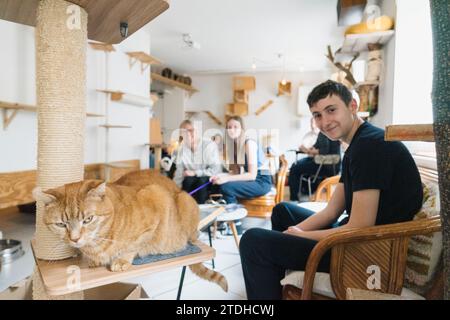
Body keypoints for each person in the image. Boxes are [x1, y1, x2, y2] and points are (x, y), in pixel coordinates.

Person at [239, 80, 424, 300]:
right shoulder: (357, 144)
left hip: (364, 250)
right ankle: (276, 278)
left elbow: (359, 227)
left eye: (331, 110)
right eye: (317, 115)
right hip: (352, 236)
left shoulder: (370, 146)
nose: (325, 121)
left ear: (352, 106)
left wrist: (302, 236)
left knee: (253, 242)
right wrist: (295, 233)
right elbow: (332, 211)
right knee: (282, 211)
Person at [210, 116, 272, 204]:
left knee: (227, 187)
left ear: (242, 129)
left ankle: (234, 215)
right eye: (229, 127)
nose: (231, 130)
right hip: (252, 180)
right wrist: (219, 176)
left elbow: (252, 175)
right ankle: (218, 213)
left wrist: (226, 179)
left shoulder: (249, 144)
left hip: (261, 182)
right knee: (215, 185)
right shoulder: (232, 146)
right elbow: (235, 173)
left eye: (235, 127)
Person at [289, 118, 341, 201]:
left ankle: (294, 198)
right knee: (297, 165)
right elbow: (316, 147)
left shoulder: (324, 133)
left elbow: (323, 151)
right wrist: (306, 149)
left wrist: (307, 150)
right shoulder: (326, 132)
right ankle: (301, 194)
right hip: (329, 164)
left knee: (295, 168)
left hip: (326, 165)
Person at [173, 120, 222, 204]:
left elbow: (216, 170)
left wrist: (195, 173)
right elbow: (179, 173)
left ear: (197, 131)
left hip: (209, 176)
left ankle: (202, 209)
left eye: (191, 130)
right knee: (187, 180)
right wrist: (174, 191)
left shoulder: (209, 145)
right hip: (191, 177)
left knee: (201, 181)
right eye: (185, 132)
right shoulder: (181, 149)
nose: (188, 134)